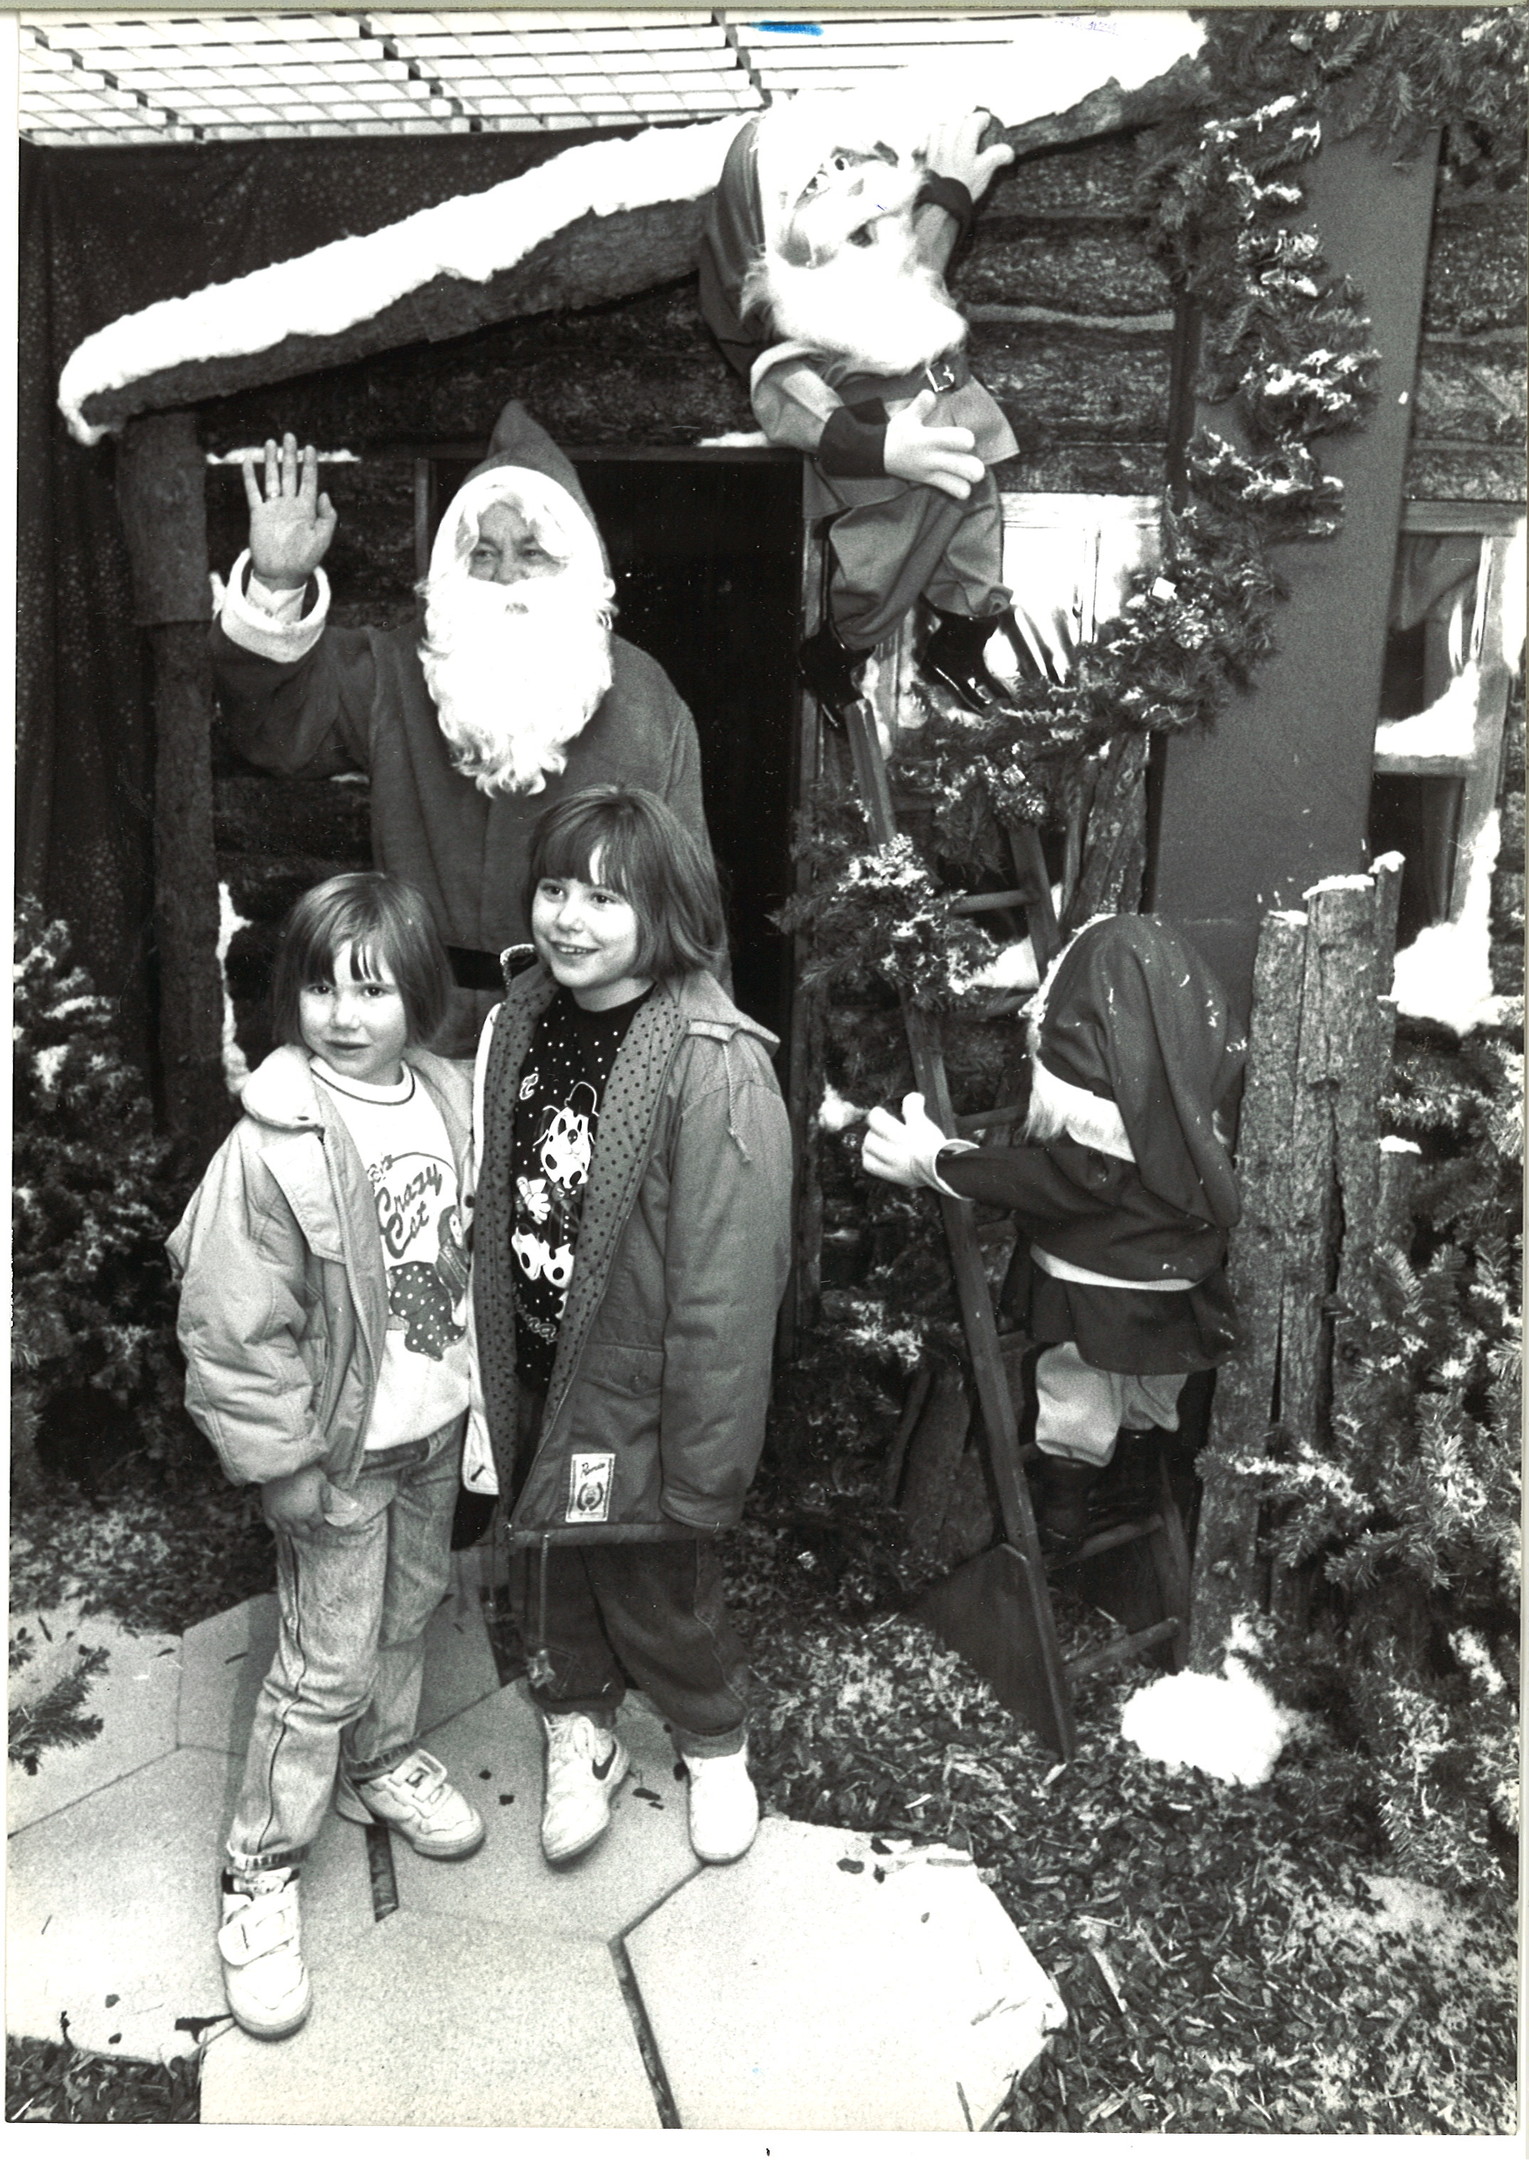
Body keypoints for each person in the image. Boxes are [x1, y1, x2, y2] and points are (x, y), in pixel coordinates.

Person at [168, 872, 484, 2041]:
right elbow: (234, 1325)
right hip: (342, 1452)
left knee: (410, 1609)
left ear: (420, 998)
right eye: (321, 986)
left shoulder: (450, 1103)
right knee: (322, 1660)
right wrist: (283, 1462)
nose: (346, 1015)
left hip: (434, 1427)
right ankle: (259, 1870)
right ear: (288, 994)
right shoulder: (271, 1146)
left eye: (375, 989)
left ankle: (384, 1763)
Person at [470, 786, 791, 1870]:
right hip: (536, 1363)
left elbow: (729, 1293)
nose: (568, 917)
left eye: (606, 898)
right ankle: (579, 1729)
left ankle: (711, 1740)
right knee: (549, 1569)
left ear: (670, 912)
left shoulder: (714, 1062)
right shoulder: (521, 1018)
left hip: (639, 1386)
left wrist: (705, 1466)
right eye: (556, 887)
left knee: (655, 1585)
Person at [211, 403, 712, 1053]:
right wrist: (280, 581)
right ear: (454, 567)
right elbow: (275, 733)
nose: (506, 579)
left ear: (576, 569)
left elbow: (686, 909)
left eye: (531, 554)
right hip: (421, 1039)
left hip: (592, 1045)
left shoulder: (645, 697)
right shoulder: (399, 669)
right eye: (484, 554)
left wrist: (694, 1061)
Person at [861, 913, 1244, 1555]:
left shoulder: (1103, 1147)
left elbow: (1050, 1181)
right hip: (1178, 1277)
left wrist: (939, 1162)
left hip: (1097, 1284)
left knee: (1078, 1386)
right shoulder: (1183, 1130)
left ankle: (1064, 1518)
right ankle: (1134, 1479)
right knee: (1152, 1383)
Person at [699, 92, 1019, 725]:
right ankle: (838, 650)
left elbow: (923, 245)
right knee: (879, 577)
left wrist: (951, 188)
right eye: (819, 184)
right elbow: (798, 410)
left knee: (978, 539)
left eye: (848, 166)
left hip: (957, 430)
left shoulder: (891, 270)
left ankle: (960, 644)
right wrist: (882, 449)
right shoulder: (802, 331)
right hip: (885, 472)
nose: (849, 189)